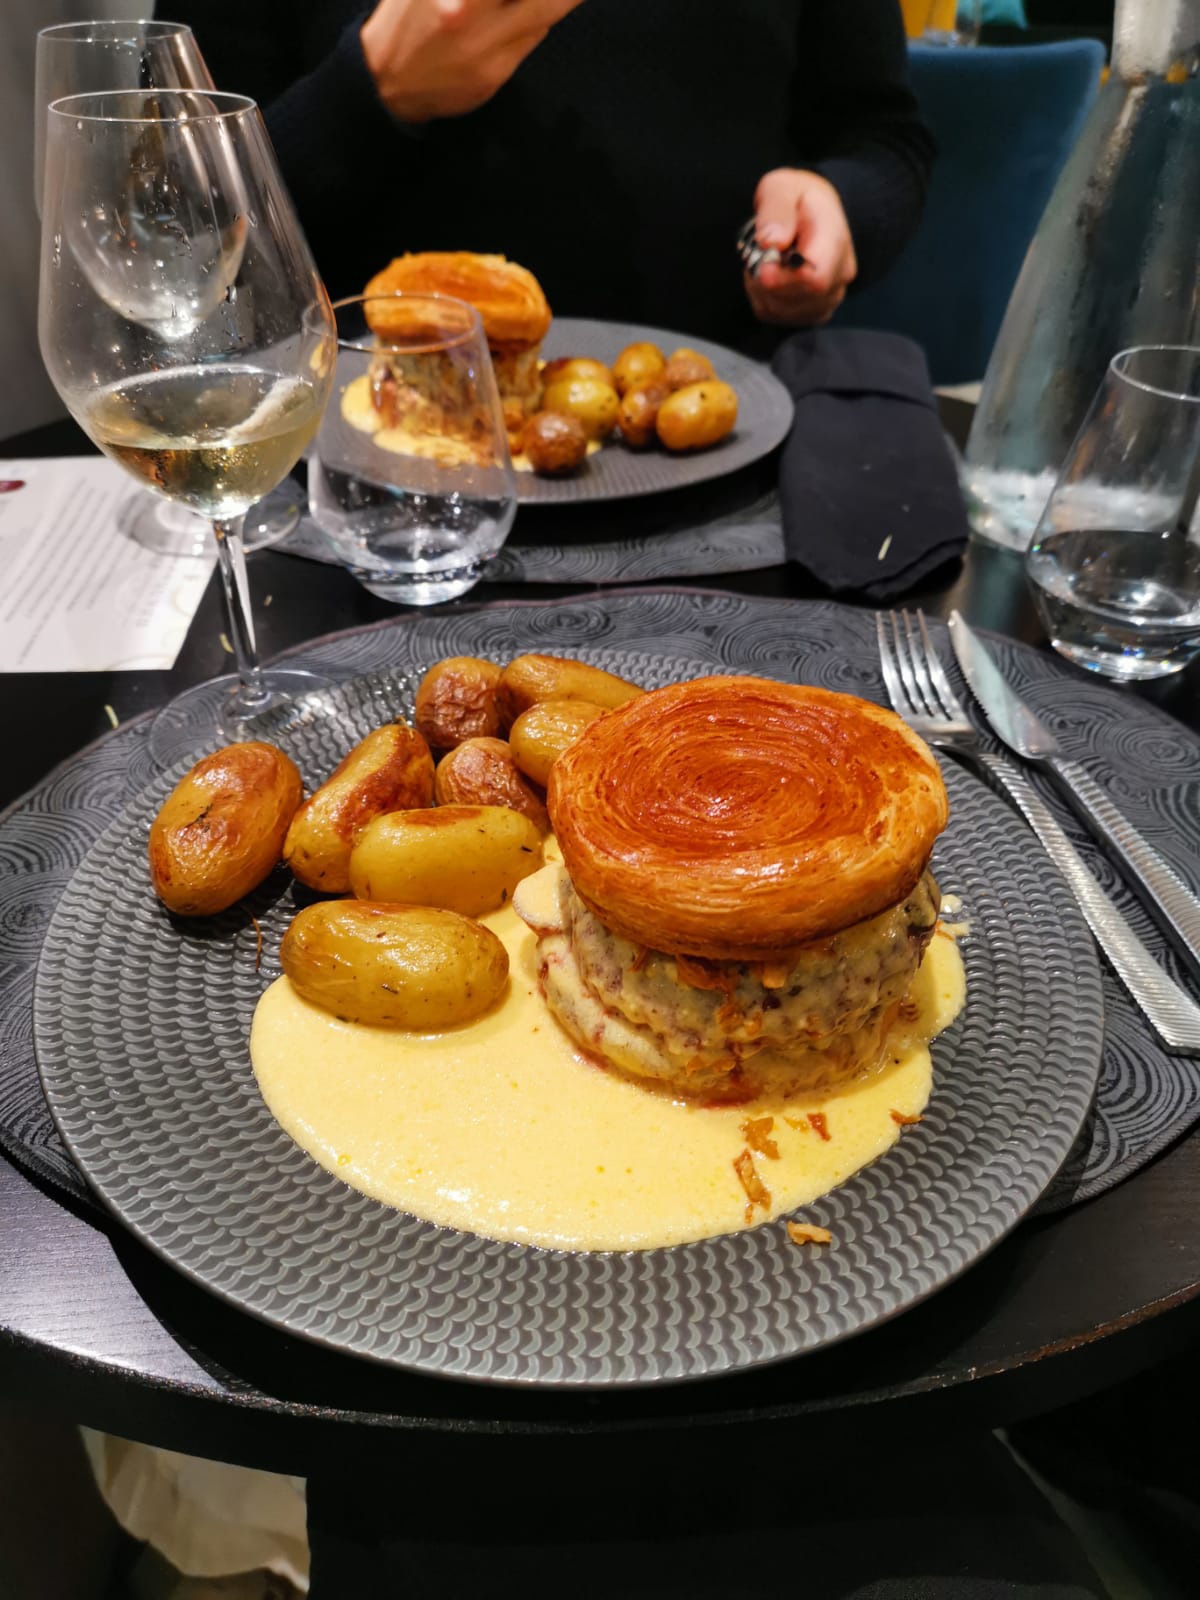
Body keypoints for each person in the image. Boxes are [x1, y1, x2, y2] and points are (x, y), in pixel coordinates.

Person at [172, 0, 934, 350]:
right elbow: (174, 217)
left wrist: (839, 202)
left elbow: (880, 134)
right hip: (354, 499)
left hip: (730, 467)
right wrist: (368, 94)